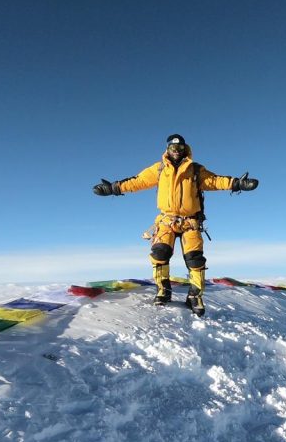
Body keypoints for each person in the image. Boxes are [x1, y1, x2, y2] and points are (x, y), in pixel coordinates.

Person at [92, 133, 259, 316]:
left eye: (180, 148)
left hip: (190, 222)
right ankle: (163, 291)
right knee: (159, 252)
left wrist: (238, 184)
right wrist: (113, 188)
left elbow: (215, 180)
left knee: (195, 259)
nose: (176, 151)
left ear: (185, 149)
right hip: (167, 220)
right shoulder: (159, 169)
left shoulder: (195, 169)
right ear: (167, 149)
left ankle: (195, 296)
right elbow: (137, 181)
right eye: (173, 148)